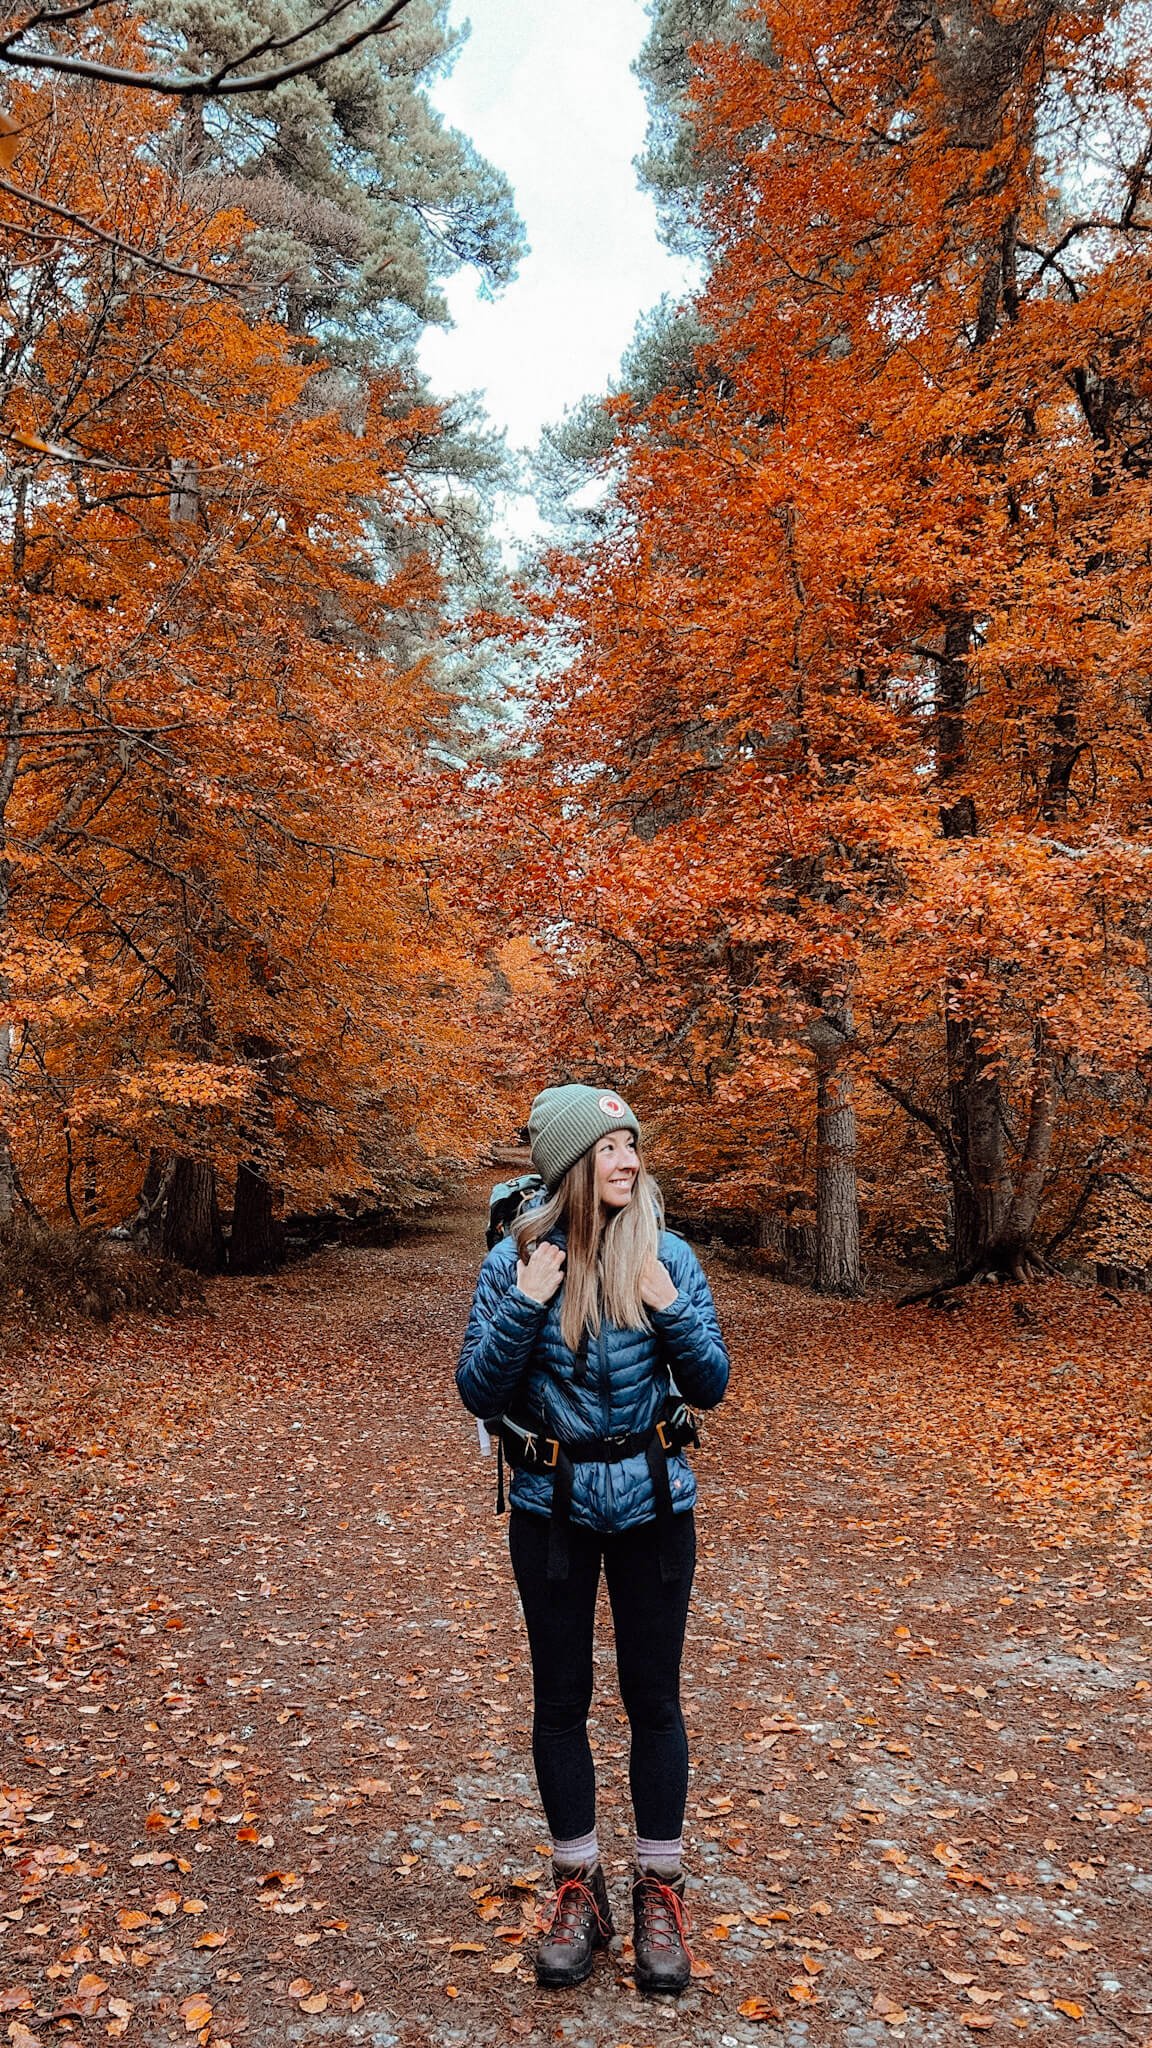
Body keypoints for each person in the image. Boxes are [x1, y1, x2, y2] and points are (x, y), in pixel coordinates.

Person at [456, 1084, 730, 1995]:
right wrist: (526, 1304)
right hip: (552, 1510)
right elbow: (477, 1392)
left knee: (655, 1699)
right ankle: (581, 1887)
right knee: (560, 1698)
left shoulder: (671, 1257)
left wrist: (671, 1310)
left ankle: (661, 1892)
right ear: (570, 1167)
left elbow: (712, 1383)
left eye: (632, 1145)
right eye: (609, 1147)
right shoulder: (518, 1262)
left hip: (657, 1505)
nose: (628, 1160)